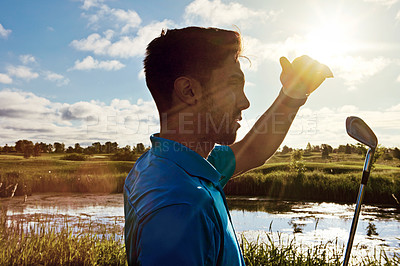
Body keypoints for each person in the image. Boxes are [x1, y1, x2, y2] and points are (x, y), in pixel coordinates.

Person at [124, 26, 333, 265]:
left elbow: (253, 150)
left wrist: (292, 95)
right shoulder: (181, 206)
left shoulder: (169, 163)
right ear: (189, 91)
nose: (245, 102)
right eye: (233, 85)